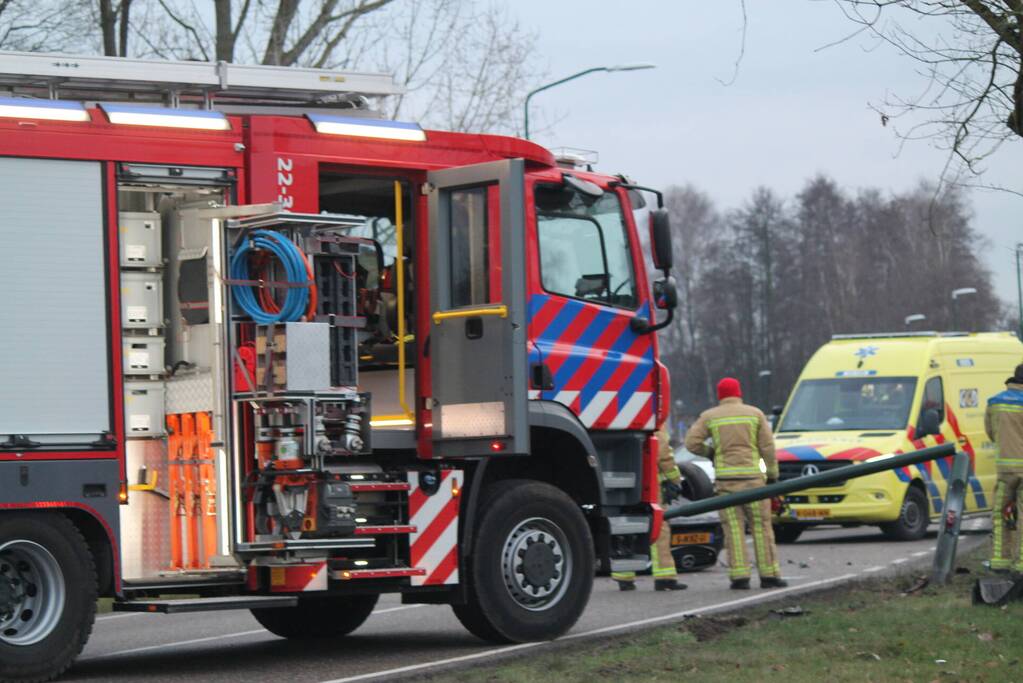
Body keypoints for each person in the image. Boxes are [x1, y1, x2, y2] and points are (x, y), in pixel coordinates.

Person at [685, 377, 787, 590]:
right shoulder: (755, 414)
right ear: (739, 393)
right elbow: (767, 447)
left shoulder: (710, 416)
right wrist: (772, 475)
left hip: (726, 483)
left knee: (733, 529)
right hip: (753, 482)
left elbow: (691, 443)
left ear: (720, 395)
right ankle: (769, 575)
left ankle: (739, 577)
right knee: (762, 527)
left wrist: (711, 452)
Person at [612, 426, 688, 592]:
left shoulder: (621, 426)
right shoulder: (655, 428)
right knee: (660, 529)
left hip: (627, 485)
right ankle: (665, 577)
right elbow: (664, 457)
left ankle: (624, 578)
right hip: (651, 487)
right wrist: (675, 480)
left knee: (627, 529)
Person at [985, 363, 1023, 574]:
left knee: (1001, 515)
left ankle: (1000, 561)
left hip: (1005, 471)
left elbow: (991, 433)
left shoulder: (994, 402)